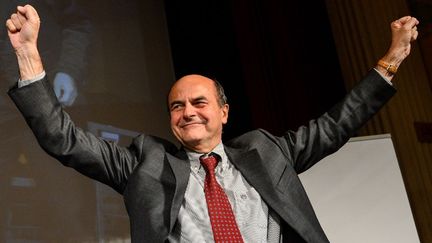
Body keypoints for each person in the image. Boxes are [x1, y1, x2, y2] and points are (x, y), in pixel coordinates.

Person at [4, 4, 418, 243]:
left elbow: (335, 124)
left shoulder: (265, 150)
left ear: (223, 111)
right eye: (176, 106)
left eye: (199, 102)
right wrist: (28, 57)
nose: (188, 112)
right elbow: (65, 140)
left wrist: (391, 61)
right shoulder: (144, 164)